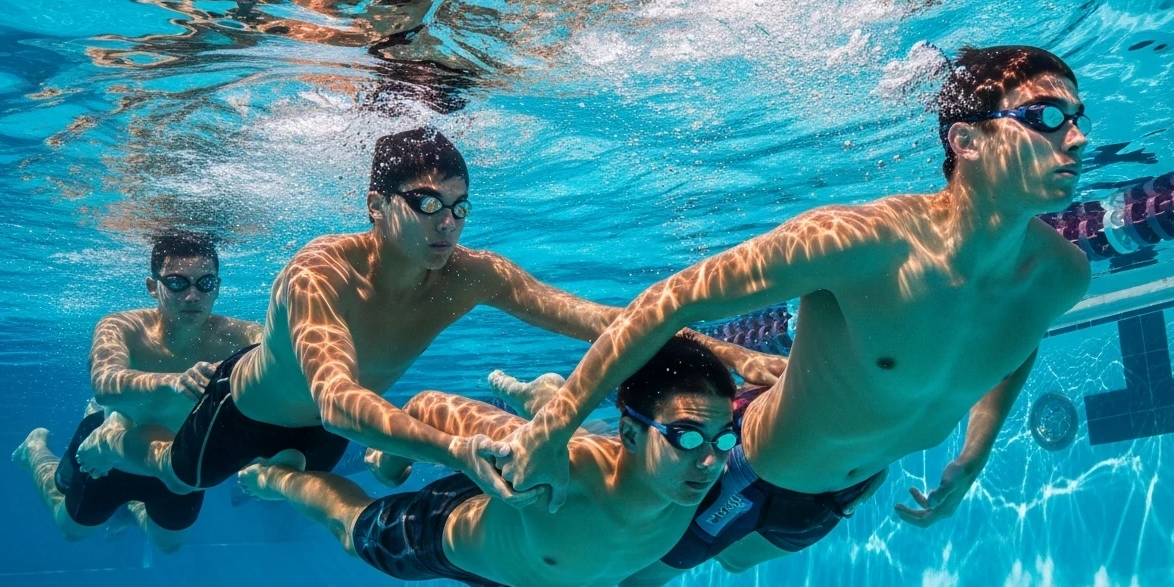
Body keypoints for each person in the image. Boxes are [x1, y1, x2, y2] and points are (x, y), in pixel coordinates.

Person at [495, 45, 1093, 587]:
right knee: (636, 578)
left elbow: (1019, 340)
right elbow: (669, 301)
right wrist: (551, 433)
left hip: (847, 492)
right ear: (967, 140)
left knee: (731, 560)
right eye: (1045, 117)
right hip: (747, 468)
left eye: (1077, 117)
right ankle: (555, 412)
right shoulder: (864, 243)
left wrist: (974, 454)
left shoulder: (1059, 275)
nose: (1077, 138)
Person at [75, 128, 780, 504]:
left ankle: (306, 470)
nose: (449, 224)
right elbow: (339, 398)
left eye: (460, 205)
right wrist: (452, 451)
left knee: (341, 472)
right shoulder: (318, 273)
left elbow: (600, 320)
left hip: (325, 428)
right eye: (428, 204)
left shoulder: (472, 274)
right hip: (251, 406)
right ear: (376, 206)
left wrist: (732, 356)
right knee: (181, 480)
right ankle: (108, 443)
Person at [237, 336, 736, 587]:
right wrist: (391, 463)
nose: (710, 459)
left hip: (513, 568)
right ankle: (277, 477)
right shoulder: (556, 472)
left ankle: (542, 396)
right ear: (630, 433)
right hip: (445, 535)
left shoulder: (702, 478)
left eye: (722, 437)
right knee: (353, 532)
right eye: (686, 437)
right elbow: (431, 403)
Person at [12, 232, 260, 552]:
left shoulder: (244, 335)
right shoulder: (120, 325)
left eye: (205, 283)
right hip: (107, 452)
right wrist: (172, 382)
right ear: (152, 286)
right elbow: (104, 384)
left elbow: (283, 358)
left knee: (168, 546)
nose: (192, 296)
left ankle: (132, 508)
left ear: (218, 286)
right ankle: (33, 451)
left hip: (177, 457)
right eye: (176, 283)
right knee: (72, 530)